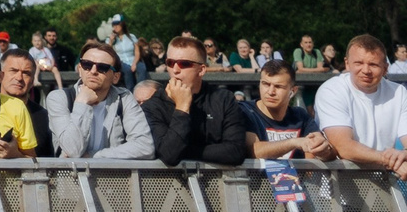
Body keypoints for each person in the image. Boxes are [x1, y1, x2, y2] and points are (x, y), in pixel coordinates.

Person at [139, 35, 245, 167]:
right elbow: (170, 156)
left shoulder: (223, 99)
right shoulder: (152, 106)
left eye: (184, 64)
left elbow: (236, 151)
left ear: (201, 70)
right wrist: (182, 108)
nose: (175, 70)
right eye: (170, 63)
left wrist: (185, 150)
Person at [315, 35, 407, 180]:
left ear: (385, 68)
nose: (366, 70)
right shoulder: (331, 90)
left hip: (384, 186)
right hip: (337, 189)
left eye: (373, 65)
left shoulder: (399, 93)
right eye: (358, 63)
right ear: (347, 64)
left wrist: (404, 154)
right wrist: (391, 161)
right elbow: (343, 146)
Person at [43, 41, 152, 159]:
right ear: (80, 69)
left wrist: (95, 156)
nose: (93, 71)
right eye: (87, 65)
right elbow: (73, 150)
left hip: (112, 177)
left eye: (102, 67)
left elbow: (145, 147)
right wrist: (82, 103)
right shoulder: (59, 98)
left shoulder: (124, 98)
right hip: (71, 177)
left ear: (115, 77)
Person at [244, 59, 333, 161]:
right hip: (256, 176)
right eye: (266, 84)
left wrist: (323, 150)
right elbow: (254, 151)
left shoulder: (300, 115)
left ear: (293, 91)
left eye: (278, 86)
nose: (270, 92)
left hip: (297, 177)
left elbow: (327, 153)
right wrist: (294, 142)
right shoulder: (246, 111)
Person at [0, 52, 51, 154]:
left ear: (32, 81)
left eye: (26, 73)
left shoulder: (44, 118)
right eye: (13, 71)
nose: (19, 78)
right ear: (1, 75)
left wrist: (15, 155)